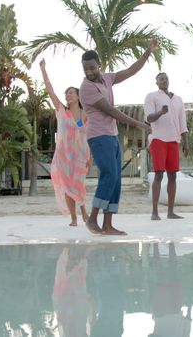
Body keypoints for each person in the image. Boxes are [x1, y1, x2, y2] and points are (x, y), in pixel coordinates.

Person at [79, 37, 156, 235]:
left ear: (99, 65)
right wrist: (139, 124)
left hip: (112, 135)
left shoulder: (106, 78)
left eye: (92, 67)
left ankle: (107, 224)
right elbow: (110, 111)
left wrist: (148, 51)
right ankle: (93, 219)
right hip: (98, 136)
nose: (89, 72)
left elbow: (130, 71)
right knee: (109, 175)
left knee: (116, 179)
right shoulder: (86, 88)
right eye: (85, 68)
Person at [40, 59, 91, 227]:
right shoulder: (62, 111)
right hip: (63, 155)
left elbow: (88, 136)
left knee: (78, 184)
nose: (67, 95)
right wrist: (43, 70)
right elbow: (50, 90)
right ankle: (74, 218)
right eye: (66, 94)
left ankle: (84, 211)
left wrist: (90, 157)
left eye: (71, 93)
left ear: (78, 96)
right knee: (68, 187)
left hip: (80, 155)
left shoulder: (85, 115)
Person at [144, 72, 189, 221]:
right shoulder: (152, 96)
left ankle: (170, 212)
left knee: (173, 175)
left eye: (166, 78)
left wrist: (185, 142)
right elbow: (149, 118)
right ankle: (155, 212)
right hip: (158, 139)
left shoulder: (178, 99)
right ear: (156, 82)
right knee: (158, 174)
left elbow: (183, 122)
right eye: (161, 78)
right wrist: (160, 112)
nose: (164, 80)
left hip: (173, 141)